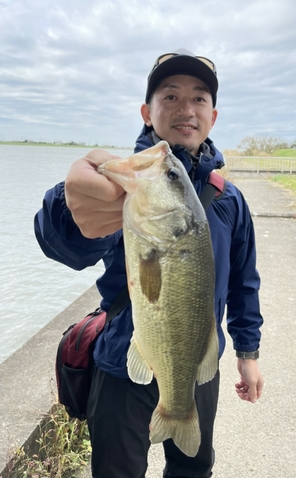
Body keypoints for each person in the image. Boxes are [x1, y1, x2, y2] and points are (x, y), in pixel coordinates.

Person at [34, 48, 264, 478]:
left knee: (194, 470)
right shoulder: (124, 187)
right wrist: (66, 211)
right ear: (147, 112)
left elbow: (243, 282)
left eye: (199, 99)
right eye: (170, 96)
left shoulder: (229, 200)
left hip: (197, 362)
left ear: (213, 116)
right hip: (123, 358)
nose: (186, 109)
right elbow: (67, 246)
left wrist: (247, 352)